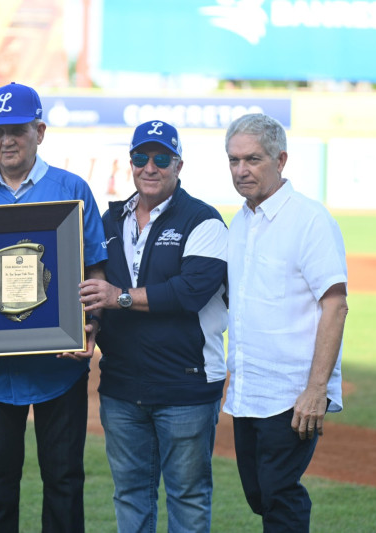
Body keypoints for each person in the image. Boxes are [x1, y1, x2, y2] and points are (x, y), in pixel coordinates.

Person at [0, 82, 107, 533]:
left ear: (40, 131)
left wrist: (89, 326)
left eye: (17, 130)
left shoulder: (71, 189)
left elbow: (97, 275)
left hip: (59, 366)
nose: (6, 140)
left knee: (64, 482)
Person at [78, 120, 229, 532]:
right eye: (141, 157)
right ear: (130, 162)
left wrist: (118, 297)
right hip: (122, 387)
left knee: (188, 497)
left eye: (161, 158)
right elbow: (90, 289)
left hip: (185, 387)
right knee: (130, 497)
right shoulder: (108, 223)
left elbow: (189, 292)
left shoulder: (204, 221)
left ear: (178, 164)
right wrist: (87, 323)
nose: (150, 167)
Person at [222, 113, 349, 531]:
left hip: (292, 393)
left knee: (278, 492)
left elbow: (336, 305)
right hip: (249, 390)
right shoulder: (239, 223)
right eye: (234, 160)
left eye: (253, 159)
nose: (242, 170)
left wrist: (316, 390)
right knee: (259, 495)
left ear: (281, 159)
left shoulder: (309, 219)